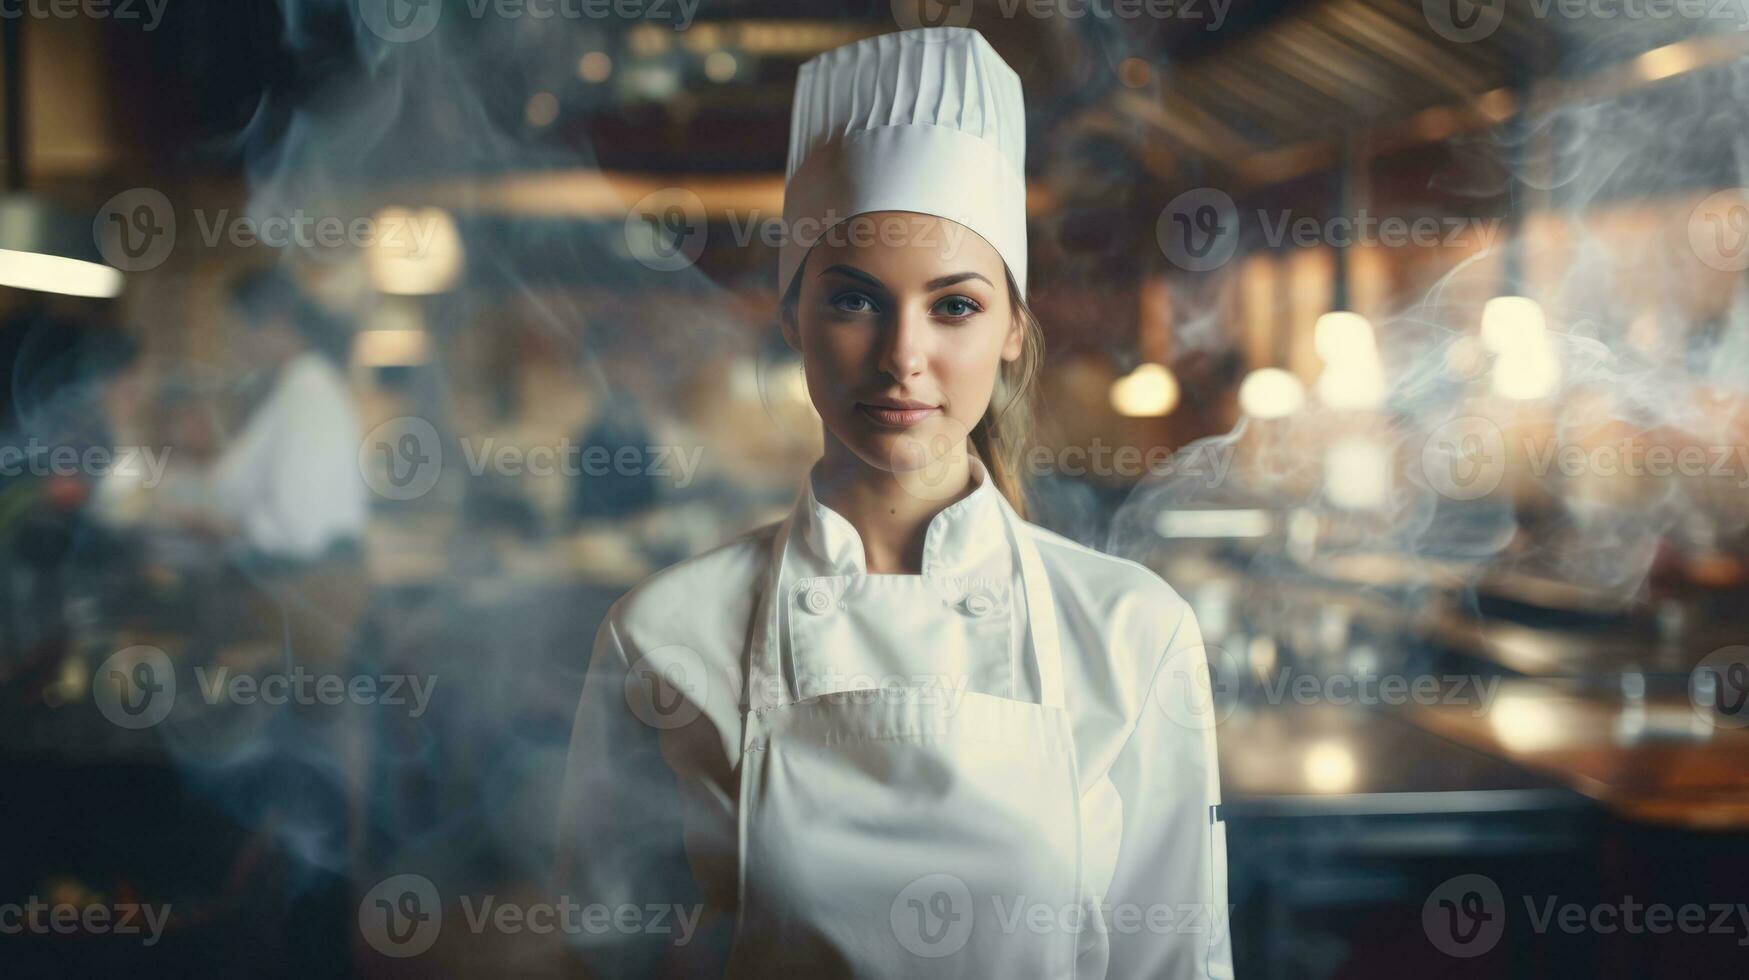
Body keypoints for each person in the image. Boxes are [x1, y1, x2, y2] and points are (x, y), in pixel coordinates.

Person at [556, 27, 1232, 979]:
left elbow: (1172, 965)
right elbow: (606, 961)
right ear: (792, 318)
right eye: (854, 300)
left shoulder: (1133, 633)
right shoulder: (660, 637)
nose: (902, 356)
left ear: (1011, 328)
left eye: (954, 305)